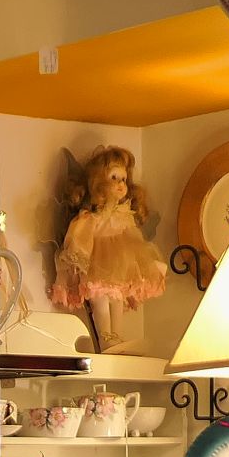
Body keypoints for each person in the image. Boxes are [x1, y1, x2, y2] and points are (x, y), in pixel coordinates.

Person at [52, 144, 167, 352]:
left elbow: (134, 240)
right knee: (100, 297)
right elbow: (81, 237)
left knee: (117, 297)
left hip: (120, 266)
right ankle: (105, 336)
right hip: (98, 265)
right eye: (114, 178)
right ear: (98, 181)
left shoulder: (124, 214)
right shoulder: (91, 217)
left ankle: (117, 337)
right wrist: (78, 259)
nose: (121, 184)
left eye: (123, 179)